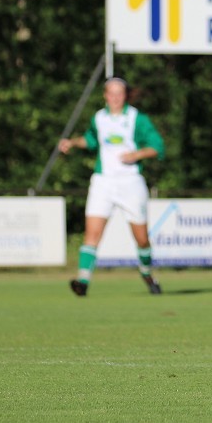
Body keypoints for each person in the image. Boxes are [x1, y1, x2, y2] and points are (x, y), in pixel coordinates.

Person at [58, 77, 165, 296]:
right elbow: (91, 140)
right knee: (92, 234)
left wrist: (137, 154)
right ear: (105, 95)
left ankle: (147, 273)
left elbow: (157, 146)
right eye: (111, 93)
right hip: (103, 181)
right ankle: (83, 281)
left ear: (125, 95)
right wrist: (73, 142)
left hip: (131, 182)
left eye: (119, 93)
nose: (115, 98)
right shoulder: (99, 118)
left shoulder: (137, 118)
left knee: (142, 239)